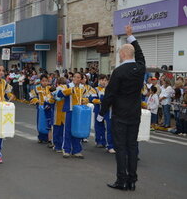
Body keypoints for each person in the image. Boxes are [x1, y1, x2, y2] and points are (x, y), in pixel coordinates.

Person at [97, 25, 146, 191]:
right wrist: (131, 36)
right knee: (132, 146)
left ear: (124, 54)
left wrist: (102, 113)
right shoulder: (140, 68)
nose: (119, 55)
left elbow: (109, 95)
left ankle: (121, 180)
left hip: (119, 114)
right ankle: (132, 180)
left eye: (119, 53)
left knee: (121, 147)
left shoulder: (118, 72)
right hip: (134, 113)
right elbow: (140, 55)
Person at [57, 72, 88, 159]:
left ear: (81, 79)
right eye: (74, 77)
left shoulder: (83, 88)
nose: (76, 79)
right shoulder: (67, 86)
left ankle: (77, 150)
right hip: (69, 111)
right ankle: (66, 150)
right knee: (67, 130)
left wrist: (85, 100)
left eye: (78, 77)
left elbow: (86, 97)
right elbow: (59, 94)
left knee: (77, 131)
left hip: (79, 112)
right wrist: (70, 91)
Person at [29, 74, 55, 144]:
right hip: (40, 108)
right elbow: (32, 96)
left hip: (49, 108)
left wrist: (51, 103)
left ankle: (48, 138)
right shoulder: (36, 88)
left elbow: (54, 96)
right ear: (40, 81)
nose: (44, 82)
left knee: (48, 123)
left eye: (46, 81)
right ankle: (40, 137)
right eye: (43, 81)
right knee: (40, 122)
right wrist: (36, 101)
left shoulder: (50, 88)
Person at [51, 77, 68, 153]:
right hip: (65, 113)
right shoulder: (68, 89)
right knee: (63, 130)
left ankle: (57, 146)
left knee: (57, 130)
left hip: (57, 112)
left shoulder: (57, 89)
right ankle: (63, 145)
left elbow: (51, 100)